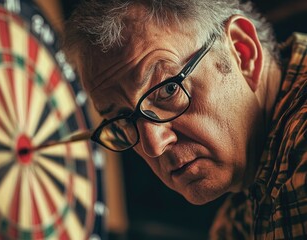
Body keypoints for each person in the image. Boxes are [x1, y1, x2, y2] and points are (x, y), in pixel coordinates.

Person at [62, 0, 307, 239]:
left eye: (168, 90)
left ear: (243, 54)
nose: (154, 145)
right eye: (124, 119)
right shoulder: (239, 214)